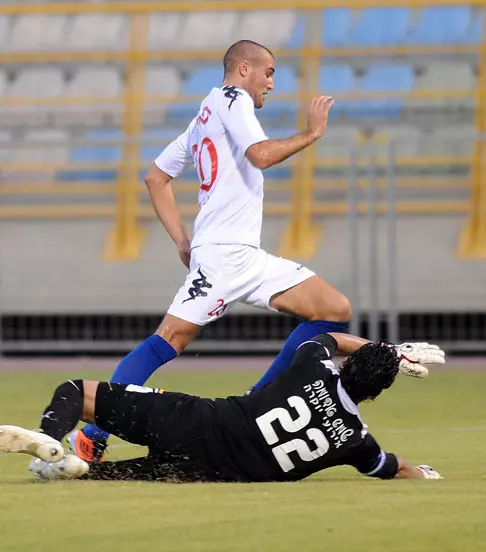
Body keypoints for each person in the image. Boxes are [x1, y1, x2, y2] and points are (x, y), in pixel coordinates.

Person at [74, 39, 354, 462]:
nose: (271, 83)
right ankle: (93, 433)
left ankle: (259, 399)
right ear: (244, 69)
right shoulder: (233, 99)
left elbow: (155, 178)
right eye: (269, 72)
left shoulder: (205, 115)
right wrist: (311, 134)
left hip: (242, 254)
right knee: (168, 340)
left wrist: (183, 241)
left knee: (333, 308)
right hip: (225, 254)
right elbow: (259, 155)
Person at [0, 334, 445, 483]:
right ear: (376, 395)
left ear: (347, 363)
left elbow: (329, 336)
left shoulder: (312, 366)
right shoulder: (356, 442)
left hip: (195, 419)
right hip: (203, 471)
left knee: (78, 391)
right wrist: (423, 473)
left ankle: (49, 438)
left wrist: (388, 350)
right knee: (109, 477)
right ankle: (73, 469)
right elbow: (391, 467)